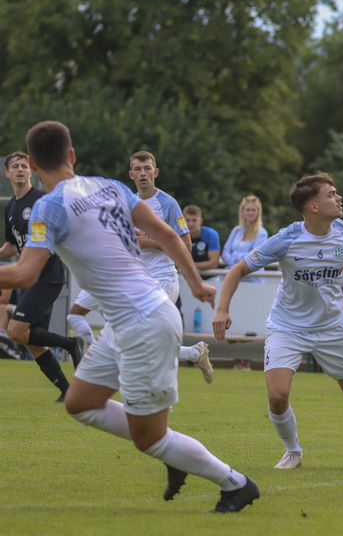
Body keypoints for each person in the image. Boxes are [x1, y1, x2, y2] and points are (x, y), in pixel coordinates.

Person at [1, 121, 257, 512]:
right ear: (72, 156)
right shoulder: (111, 186)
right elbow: (171, 236)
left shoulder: (47, 207)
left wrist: (196, 286)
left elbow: (23, 274)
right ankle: (176, 454)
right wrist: (196, 285)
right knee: (79, 402)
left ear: (32, 165)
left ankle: (235, 483)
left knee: (149, 439)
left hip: (143, 322)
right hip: (135, 318)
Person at [213, 173, 343, 472]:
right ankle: (293, 451)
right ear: (313, 207)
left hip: (332, 328)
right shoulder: (286, 239)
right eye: (331, 194)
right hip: (287, 327)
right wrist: (222, 310)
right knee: (277, 396)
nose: (339, 198)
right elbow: (236, 270)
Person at [66, 152, 213, 383]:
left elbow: (185, 245)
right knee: (137, 340)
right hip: (134, 280)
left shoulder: (168, 204)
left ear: (155, 172)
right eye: (138, 169)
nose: (143, 173)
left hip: (163, 278)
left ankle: (157, 401)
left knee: (142, 339)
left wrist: (150, 243)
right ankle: (192, 354)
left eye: (147, 168)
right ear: (131, 174)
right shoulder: (128, 203)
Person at [1, 151, 82, 401]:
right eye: (15, 166)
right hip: (28, 276)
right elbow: (12, 245)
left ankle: (70, 344)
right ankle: (67, 391)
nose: (20, 169)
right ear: (7, 173)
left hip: (47, 275)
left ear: (31, 171)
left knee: (16, 331)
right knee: (30, 340)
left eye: (24, 165)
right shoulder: (11, 206)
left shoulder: (41, 200)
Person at [222, 195, 268, 268]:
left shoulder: (262, 233)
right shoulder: (236, 230)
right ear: (242, 211)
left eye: (253, 210)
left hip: (251, 276)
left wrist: (234, 255)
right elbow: (225, 252)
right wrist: (234, 263)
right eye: (248, 210)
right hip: (232, 270)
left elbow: (253, 257)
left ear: (258, 212)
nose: (250, 212)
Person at [184, 205, 221, 272]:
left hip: (209, 277)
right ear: (183, 222)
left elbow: (214, 263)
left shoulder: (211, 234)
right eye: (188, 220)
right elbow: (174, 263)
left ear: (201, 221)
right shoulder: (178, 236)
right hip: (184, 277)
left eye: (194, 220)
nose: (191, 224)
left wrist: (186, 266)